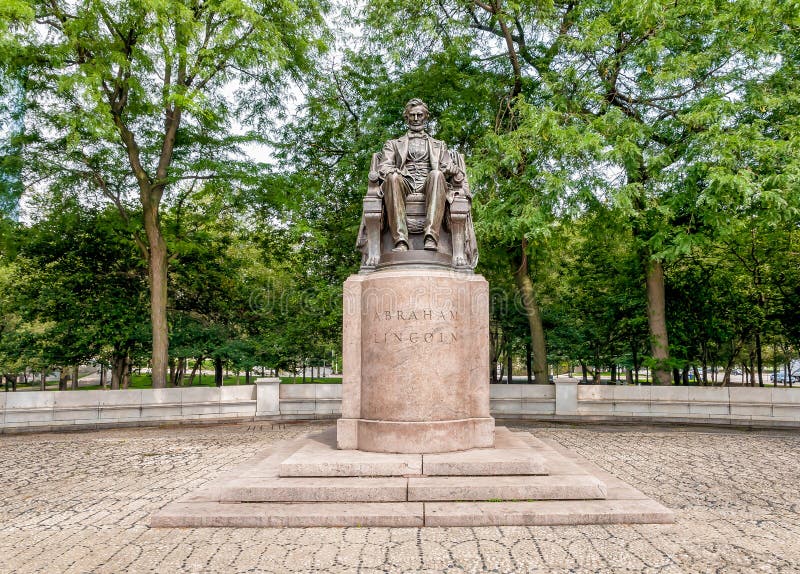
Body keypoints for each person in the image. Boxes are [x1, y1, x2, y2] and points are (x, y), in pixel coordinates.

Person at [374, 98, 465, 252]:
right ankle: (400, 241)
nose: (416, 119)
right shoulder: (393, 144)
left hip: (429, 184)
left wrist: (452, 170)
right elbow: (383, 166)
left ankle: (431, 237)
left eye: (420, 115)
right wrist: (394, 171)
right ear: (406, 117)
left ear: (426, 117)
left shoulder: (439, 145)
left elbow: (449, 168)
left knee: (436, 174)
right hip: (404, 182)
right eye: (412, 115)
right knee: (393, 177)